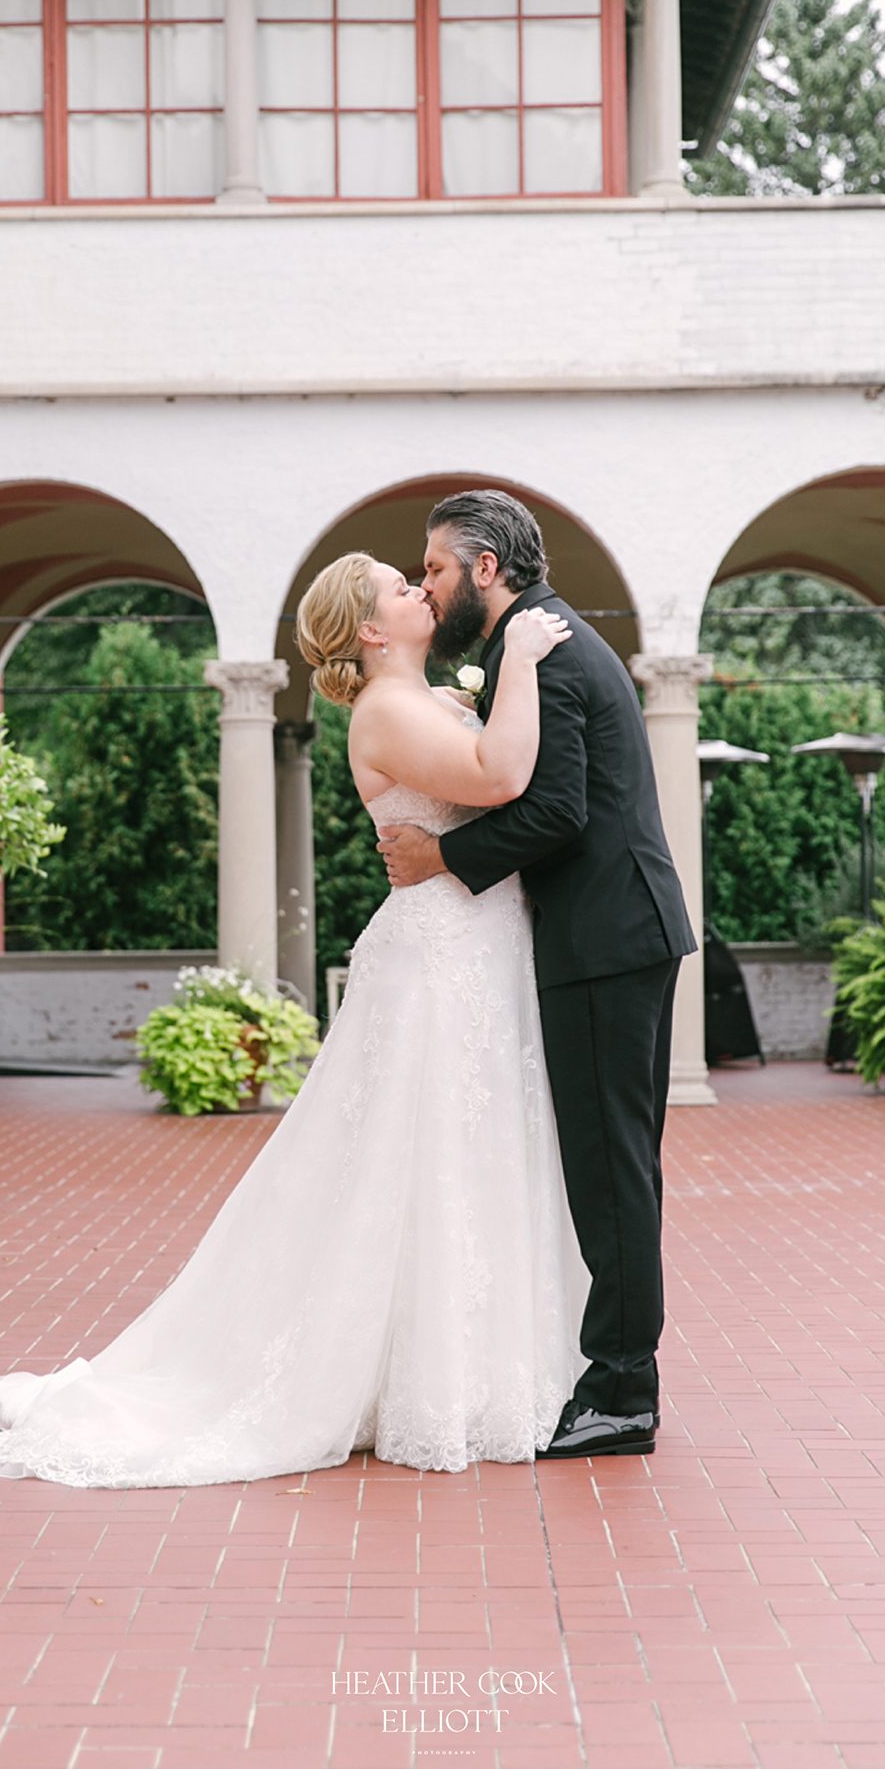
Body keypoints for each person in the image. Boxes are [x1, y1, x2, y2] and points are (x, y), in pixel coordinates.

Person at [0, 552, 594, 1489]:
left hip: (479, 949)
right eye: (397, 586)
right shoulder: (384, 710)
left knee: (473, 1152)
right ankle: (414, 1384)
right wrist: (528, 662)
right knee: (421, 1158)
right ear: (371, 631)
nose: (418, 589)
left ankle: (475, 1375)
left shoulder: (428, 696)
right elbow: (498, 776)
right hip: (437, 962)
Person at [379, 489, 697, 1461]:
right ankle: (613, 1377)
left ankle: (621, 1395)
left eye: (434, 567)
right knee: (613, 1165)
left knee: (611, 1171)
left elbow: (556, 810)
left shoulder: (546, 647)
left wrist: (442, 860)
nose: (428, 585)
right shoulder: (538, 641)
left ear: (484, 569)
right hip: (613, 933)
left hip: (605, 940)